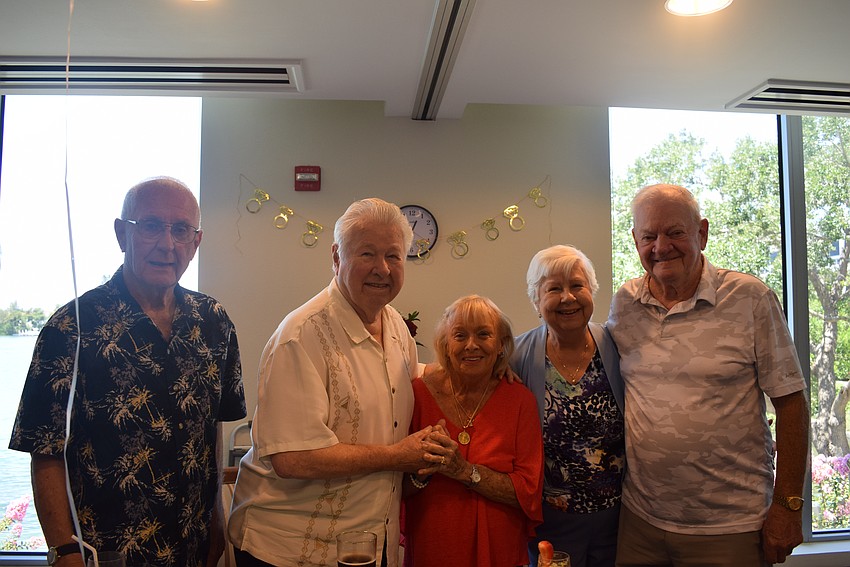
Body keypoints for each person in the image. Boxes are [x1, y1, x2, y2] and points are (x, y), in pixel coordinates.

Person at [9, 176, 246, 567]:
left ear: (196, 242)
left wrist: (217, 520)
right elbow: (45, 451)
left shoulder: (214, 322)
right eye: (151, 226)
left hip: (194, 547)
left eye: (181, 230)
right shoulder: (72, 328)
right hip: (105, 554)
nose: (167, 244)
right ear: (122, 234)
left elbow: (213, 427)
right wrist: (64, 551)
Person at [608, 183, 809, 566]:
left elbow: (792, 403)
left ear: (701, 232)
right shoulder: (625, 303)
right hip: (640, 523)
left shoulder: (750, 298)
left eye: (675, 233)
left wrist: (787, 507)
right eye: (648, 236)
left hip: (730, 528)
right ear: (635, 240)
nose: (661, 247)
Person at [228, 198, 435, 567]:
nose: (382, 269)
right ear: (337, 257)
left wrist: (482, 367)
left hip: (367, 543)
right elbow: (292, 458)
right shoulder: (301, 335)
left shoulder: (396, 328)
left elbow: (407, 377)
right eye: (367, 254)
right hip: (290, 551)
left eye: (394, 255)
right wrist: (398, 456)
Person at [403, 295, 544, 567]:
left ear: (501, 345)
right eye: (459, 335)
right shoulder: (418, 395)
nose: (471, 345)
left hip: (498, 549)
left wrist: (463, 471)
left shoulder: (519, 400)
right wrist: (425, 471)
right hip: (433, 545)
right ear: (445, 344)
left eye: (483, 334)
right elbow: (394, 488)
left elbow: (528, 492)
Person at [511, 245, 625, 567]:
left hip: (619, 519)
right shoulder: (516, 356)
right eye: (553, 289)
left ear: (592, 291)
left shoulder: (619, 346)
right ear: (536, 300)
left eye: (577, 285)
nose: (568, 297)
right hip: (550, 521)